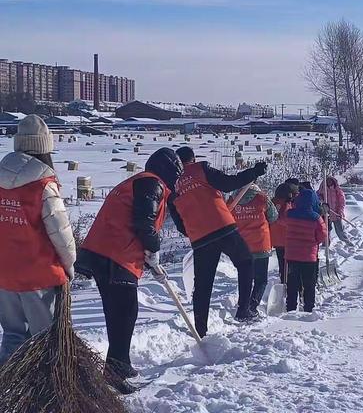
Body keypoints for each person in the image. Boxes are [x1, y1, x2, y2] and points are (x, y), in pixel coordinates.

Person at [76, 148, 183, 392]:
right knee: (124, 314)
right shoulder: (152, 184)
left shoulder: (137, 182)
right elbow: (144, 222)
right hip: (116, 256)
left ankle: (120, 365)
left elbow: (133, 220)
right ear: (169, 171)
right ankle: (115, 373)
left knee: (120, 314)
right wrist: (153, 249)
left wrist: (149, 259)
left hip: (105, 253)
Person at [0, 115, 76, 365]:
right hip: (38, 276)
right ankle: (44, 391)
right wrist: (69, 265)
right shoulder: (44, 184)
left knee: (12, 335)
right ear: (45, 148)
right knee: (44, 340)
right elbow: (61, 233)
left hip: (4, 274)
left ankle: (9, 388)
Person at [174, 146, 267, 338]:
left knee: (203, 284)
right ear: (192, 159)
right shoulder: (201, 169)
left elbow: (179, 223)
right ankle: (243, 310)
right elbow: (228, 183)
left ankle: (200, 329)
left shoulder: (171, 186)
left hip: (199, 237)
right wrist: (254, 172)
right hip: (222, 226)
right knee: (245, 262)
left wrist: (194, 226)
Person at [229, 184, 278, 316]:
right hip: (261, 243)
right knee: (261, 279)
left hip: (242, 244)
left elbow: (226, 217)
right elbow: (273, 216)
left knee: (245, 278)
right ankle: (252, 306)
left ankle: (243, 306)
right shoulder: (262, 198)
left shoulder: (233, 199)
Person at [285, 189, 327, 312]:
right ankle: (308, 306)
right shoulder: (316, 217)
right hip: (309, 256)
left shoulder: (290, 214)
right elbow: (322, 235)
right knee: (309, 283)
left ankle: (291, 306)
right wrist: (313, 241)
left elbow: (282, 224)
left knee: (292, 282)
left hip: (292, 255)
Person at [270, 183, 298, 283]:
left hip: (276, 239)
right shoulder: (286, 205)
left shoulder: (272, 203)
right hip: (286, 239)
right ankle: (287, 283)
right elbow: (285, 220)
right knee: (289, 265)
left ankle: (284, 281)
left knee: (282, 264)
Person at [317, 176, 352, 245]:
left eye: (330, 181)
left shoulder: (337, 191)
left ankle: (347, 241)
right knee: (326, 230)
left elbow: (342, 202)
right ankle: (326, 243)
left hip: (336, 213)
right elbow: (317, 197)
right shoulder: (322, 190)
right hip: (326, 214)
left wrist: (340, 211)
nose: (329, 182)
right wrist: (320, 200)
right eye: (327, 181)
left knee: (340, 231)